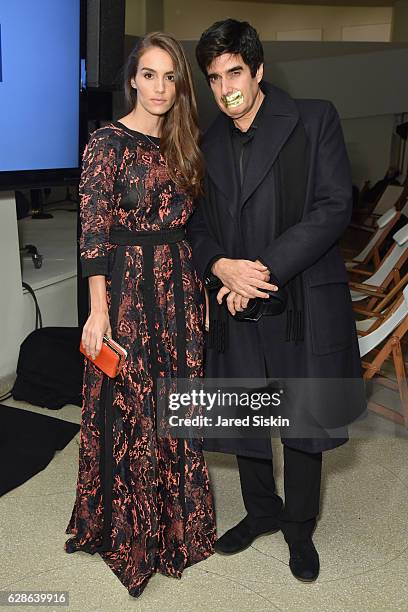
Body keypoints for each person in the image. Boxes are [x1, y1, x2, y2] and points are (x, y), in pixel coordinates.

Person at [187, 19, 366, 582]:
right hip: (234, 299)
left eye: (234, 72)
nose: (224, 88)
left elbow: (335, 205)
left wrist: (261, 270)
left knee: (302, 416)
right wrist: (220, 266)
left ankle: (298, 527)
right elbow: (193, 224)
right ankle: (260, 511)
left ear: (258, 70)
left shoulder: (314, 119)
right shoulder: (204, 141)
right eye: (214, 77)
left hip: (298, 296)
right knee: (245, 409)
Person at [64, 32, 216, 598]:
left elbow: (194, 225)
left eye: (170, 77)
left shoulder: (185, 143)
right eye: (149, 75)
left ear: (180, 85)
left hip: (178, 284)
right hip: (127, 287)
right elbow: (94, 228)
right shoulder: (107, 142)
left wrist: (201, 284)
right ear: (132, 78)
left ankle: (179, 529)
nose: (159, 87)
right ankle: (127, 535)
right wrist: (97, 309)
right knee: (130, 405)